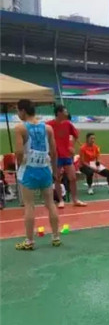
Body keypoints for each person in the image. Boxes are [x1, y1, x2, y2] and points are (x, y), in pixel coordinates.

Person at [14, 99, 62, 250]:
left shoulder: (20, 128)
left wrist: (21, 163)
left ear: (23, 111)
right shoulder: (48, 128)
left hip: (29, 170)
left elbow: (19, 151)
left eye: (18, 110)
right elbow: (54, 152)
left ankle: (29, 241)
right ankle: (56, 237)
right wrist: (55, 170)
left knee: (29, 205)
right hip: (45, 169)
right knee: (50, 203)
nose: (17, 113)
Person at [47, 104, 86, 208]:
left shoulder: (68, 124)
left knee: (73, 178)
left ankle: (75, 199)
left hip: (67, 155)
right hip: (56, 156)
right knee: (57, 179)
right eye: (65, 111)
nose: (67, 113)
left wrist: (71, 146)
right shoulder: (49, 125)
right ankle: (60, 200)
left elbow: (76, 135)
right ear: (59, 113)